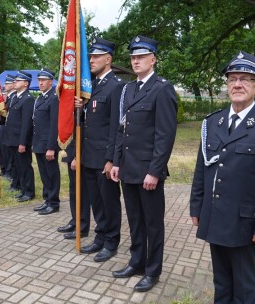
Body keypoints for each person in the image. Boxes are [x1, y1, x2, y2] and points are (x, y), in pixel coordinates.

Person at [189, 51, 255, 303]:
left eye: (245, 79)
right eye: (232, 79)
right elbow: (202, 169)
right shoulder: (212, 122)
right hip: (214, 216)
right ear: (226, 85)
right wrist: (197, 207)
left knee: (244, 286)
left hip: (246, 223)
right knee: (221, 281)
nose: (237, 84)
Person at [110, 35, 178, 292]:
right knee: (135, 220)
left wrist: (155, 171)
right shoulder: (129, 89)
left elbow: (165, 135)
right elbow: (121, 129)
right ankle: (136, 261)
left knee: (152, 223)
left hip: (148, 171)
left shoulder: (162, 88)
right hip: (128, 168)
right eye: (133, 57)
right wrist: (116, 161)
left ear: (153, 59)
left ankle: (152, 270)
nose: (135, 61)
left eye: (141, 57)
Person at [73, 37, 124, 262]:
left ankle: (111, 241)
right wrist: (81, 109)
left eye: (95, 56)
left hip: (105, 157)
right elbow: (89, 121)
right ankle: (100, 236)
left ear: (108, 59)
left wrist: (112, 159)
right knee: (96, 201)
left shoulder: (116, 86)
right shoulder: (91, 86)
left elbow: (116, 127)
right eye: (90, 56)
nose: (91, 60)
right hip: (89, 156)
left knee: (109, 202)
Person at [3, 71, 36, 203]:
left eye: (18, 80)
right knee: (17, 165)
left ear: (26, 83)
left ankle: (29, 192)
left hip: (20, 140)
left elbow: (26, 124)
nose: (15, 82)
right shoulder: (16, 97)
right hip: (12, 138)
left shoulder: (28, 99)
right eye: (15, 80)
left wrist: (23, 143)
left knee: (25, 166)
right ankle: (23, 189)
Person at [31, 68, 60, 215]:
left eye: (43, 80)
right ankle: (47, 199)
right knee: (43, 173)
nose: (40, 82)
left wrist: (51, 147)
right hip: (38, 143)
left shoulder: (54, 98)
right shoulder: (40, 98)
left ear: (50, 81)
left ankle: (54, 202)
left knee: (51, 173)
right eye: (39, 80)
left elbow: (54, 124)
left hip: (47, 144)